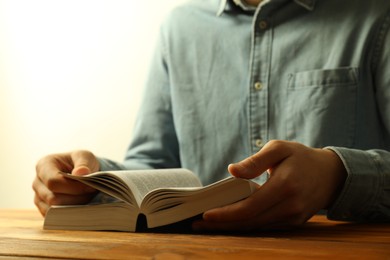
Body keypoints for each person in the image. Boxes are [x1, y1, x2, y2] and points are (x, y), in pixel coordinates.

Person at [33, 0, 390, 231]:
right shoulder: (179, 27)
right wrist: (89, 182)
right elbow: (155, 165)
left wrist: (338, 176)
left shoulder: (378, 14)